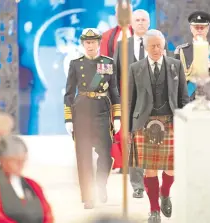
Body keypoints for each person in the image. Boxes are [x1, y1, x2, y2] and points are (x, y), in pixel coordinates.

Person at [128, 29, 189, 222]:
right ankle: (154, 210)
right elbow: (131, 99)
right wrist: (131, 127)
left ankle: (165, 192)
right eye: (152, 46)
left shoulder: (175, 65)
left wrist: (184, 121)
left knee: (171, 168)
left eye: (159, 45)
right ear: (145, 47)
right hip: (144, 123)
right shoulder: (135, 68)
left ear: (164, 45)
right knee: (150, 168)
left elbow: (183, 97)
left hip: (170, 121)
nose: (156, 49)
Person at [64, 28, 121, 209]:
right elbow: (69, 93)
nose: (90, 45)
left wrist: (117, 116)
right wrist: (68, 119)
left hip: (102, 112)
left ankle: (100, 184)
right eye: (87, 42)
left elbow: (114, 91)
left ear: (98, 43)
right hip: (81, 113)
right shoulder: (75, 64)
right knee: (83, 157)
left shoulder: (108, 63)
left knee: (105, 154)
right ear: (83, 44)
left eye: (93, 42)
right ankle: (88, 196)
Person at [113, 8, 151, 199]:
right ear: (131, 23)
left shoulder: (158, 43)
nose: (141, 23)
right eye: (137, 20)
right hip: (130, 103)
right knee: (134, 144)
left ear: (149, 23)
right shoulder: (122, 46)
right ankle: (137, 185)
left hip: (155, 103)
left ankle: (152, 181)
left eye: (144, 20)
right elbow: (114, 75)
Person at [0, 135, 53, 223]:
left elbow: (47, 213)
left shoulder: (33, 185)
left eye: (23, 160)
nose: (21, 165)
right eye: (15, 161)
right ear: (2, 160)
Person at [174, 11, 210, 101]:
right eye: (196, 27)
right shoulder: (181, 51)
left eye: (202, 27)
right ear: (191, 28)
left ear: (208, 28)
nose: (199, 30)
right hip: (189, 103)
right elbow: (177, 83)